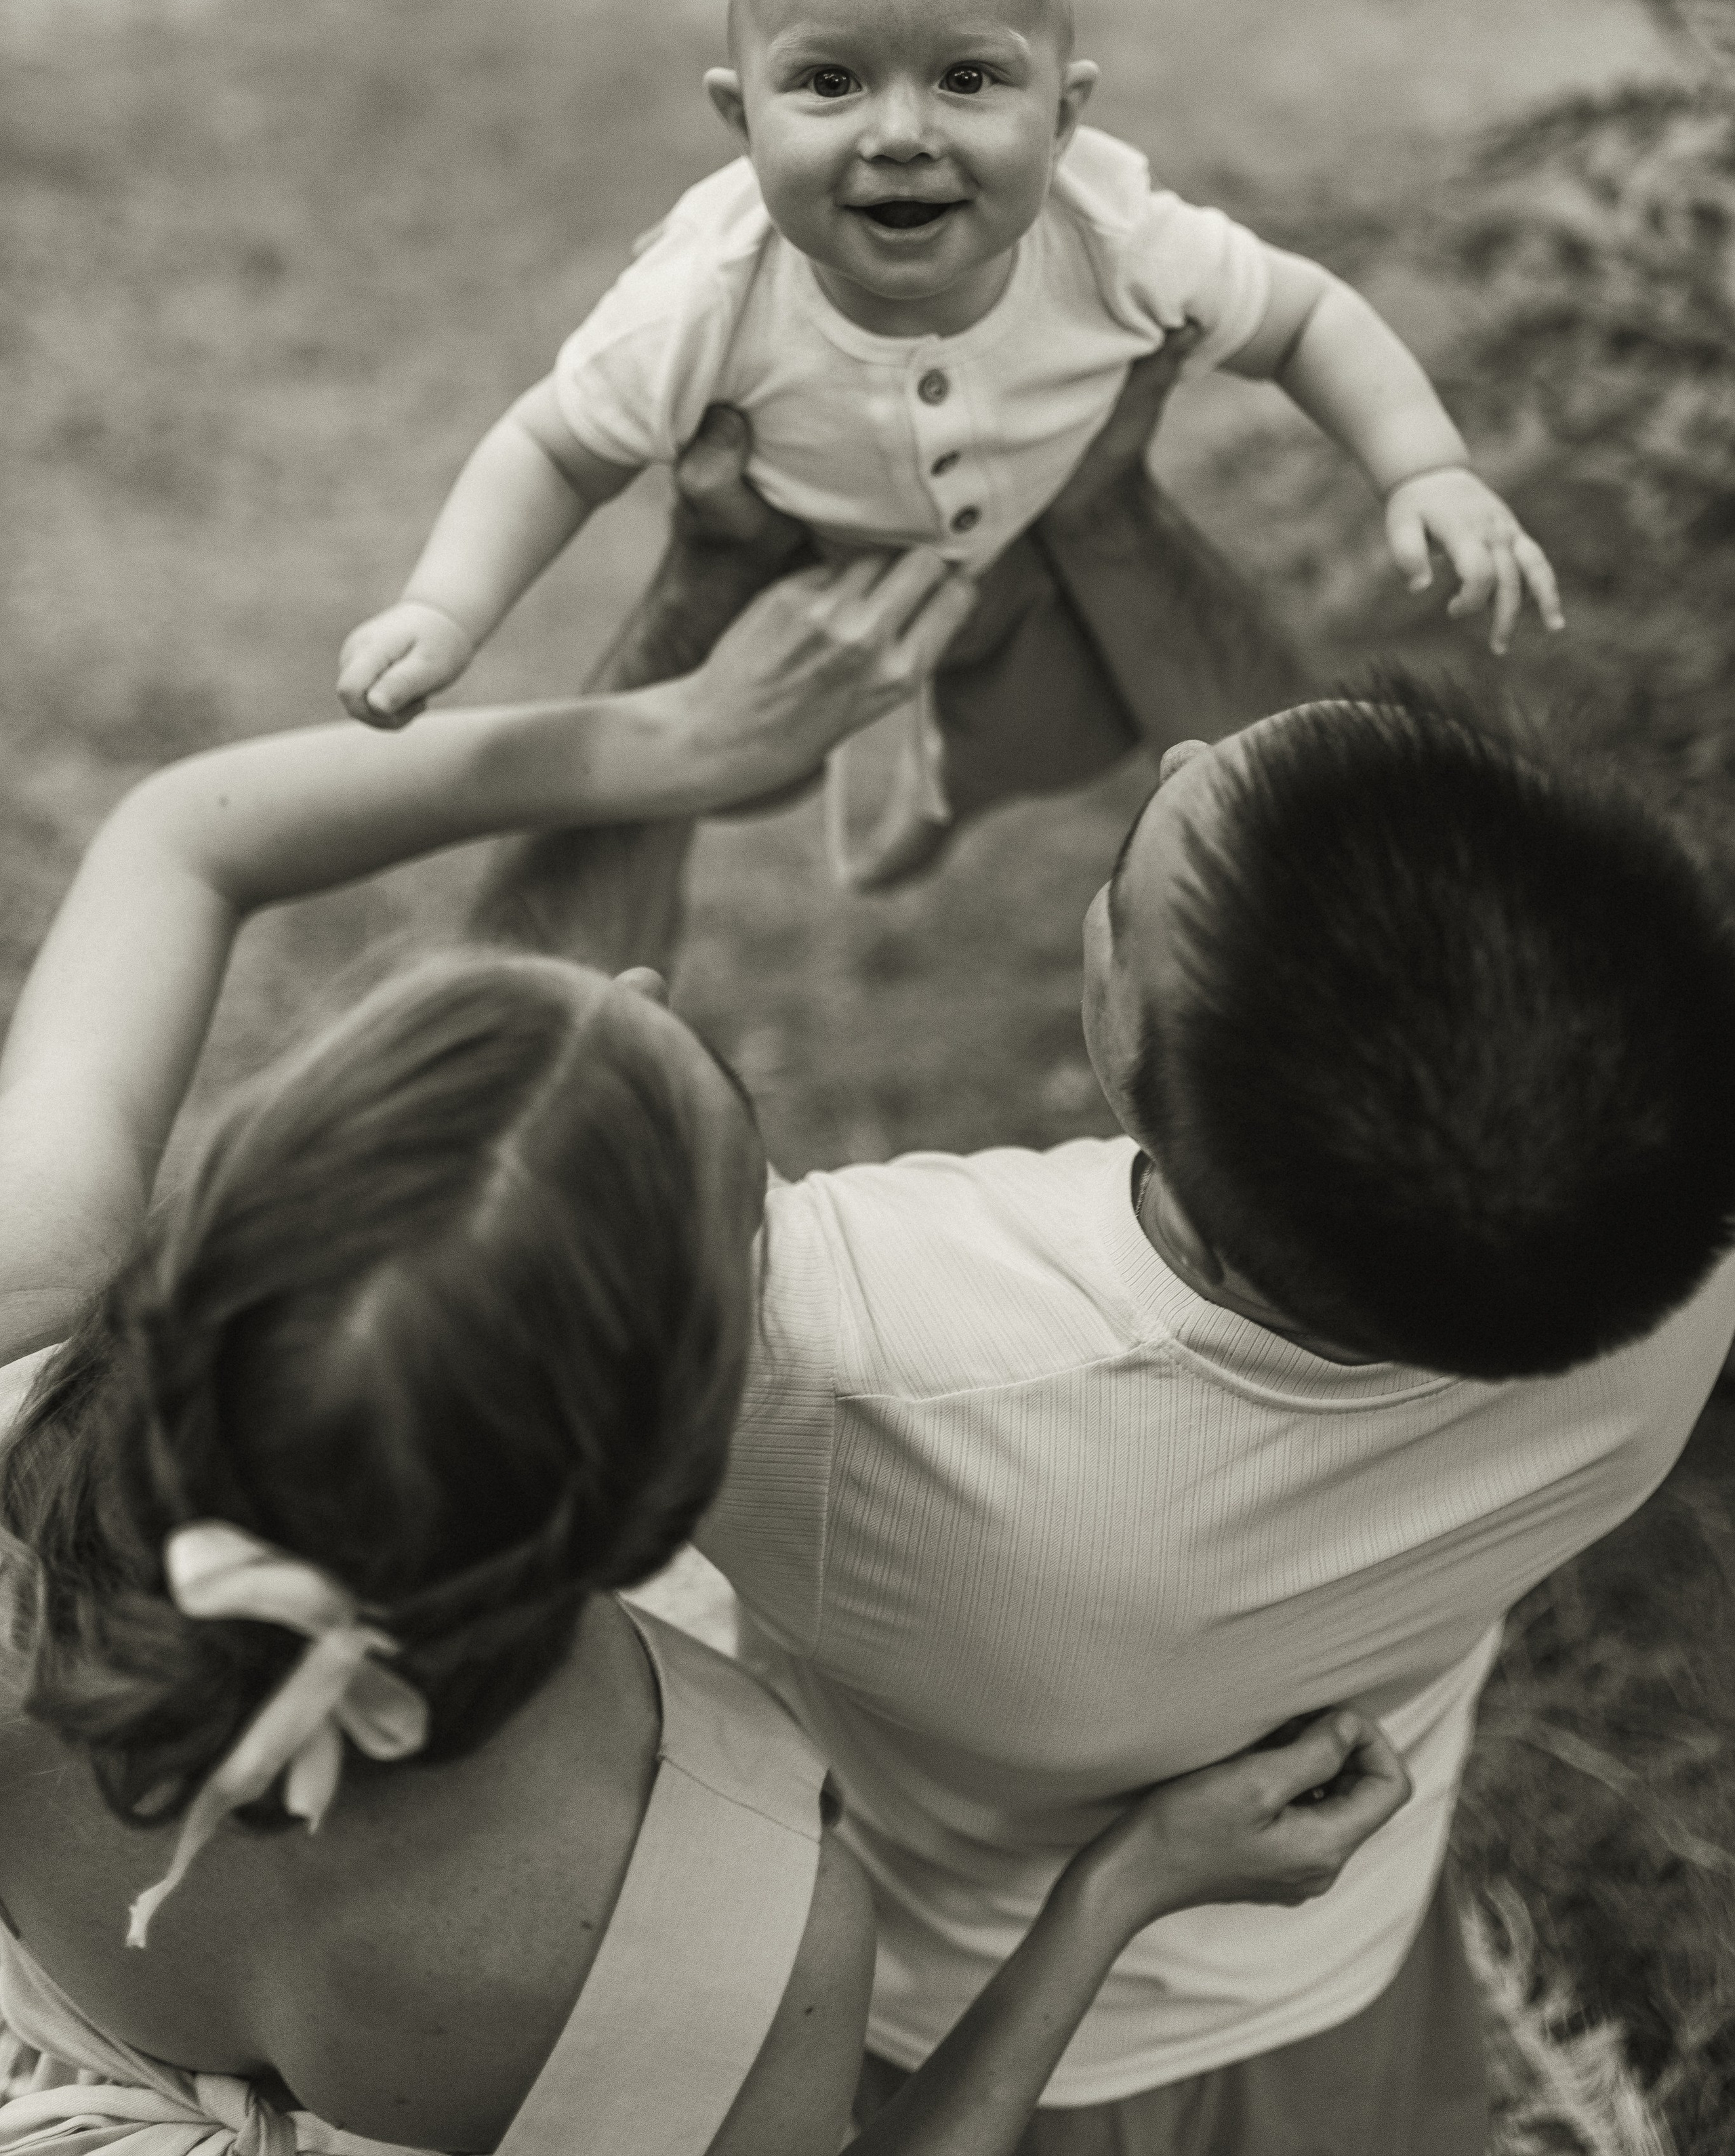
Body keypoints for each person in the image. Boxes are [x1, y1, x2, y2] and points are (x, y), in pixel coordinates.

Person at [0, 556, 1410, 2156]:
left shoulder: (28, 1318)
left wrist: (677, 731)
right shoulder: (727, 1910)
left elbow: (178, 838)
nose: (639, 982)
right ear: (671, 1482)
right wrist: (1117, 1889)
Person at [603, 672, 1730, 2153]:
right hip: (1341, 1954)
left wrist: (659, 717)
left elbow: (474, 1130)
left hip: (964, 2041)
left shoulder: (847, 1360)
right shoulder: (1674, 1258)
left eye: (1121, 879)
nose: (1181, 741)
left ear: (1128, 1056)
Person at [333, 0, 1563, 891]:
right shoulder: (706, 294)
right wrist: (446, 606)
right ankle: (851, 781)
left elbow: (1304, 317)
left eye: (969, 77)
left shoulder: (1114, 235)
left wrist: (1425, 468)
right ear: (739, 119)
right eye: (831, 82)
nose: (902, 133)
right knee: (740, 769)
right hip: (796, 572)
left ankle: (941, 795)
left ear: (1064, 116)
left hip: (1019, 570)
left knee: (1059, 733)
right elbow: (553, 448)